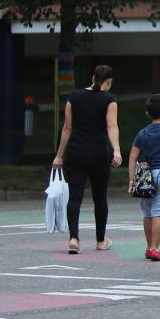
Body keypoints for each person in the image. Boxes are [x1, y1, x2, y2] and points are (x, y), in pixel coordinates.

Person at [52, 64, 121, 254]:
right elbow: (112, 125)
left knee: (75, 197)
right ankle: (100, 240)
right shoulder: (109, 99)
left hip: (75, 153)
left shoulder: (74, 97)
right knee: (100, 198)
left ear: (92, 78)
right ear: (109, 81)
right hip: (99, 154)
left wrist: (59, 155)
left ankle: (74, 239)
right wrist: (116, 150)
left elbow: (67, 128)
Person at [127, 93, 160, 261]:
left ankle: (149, 246)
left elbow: (133, 156)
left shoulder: (142, 133)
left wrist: (132, 179)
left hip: (145, 177)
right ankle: (155, 248)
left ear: (147, 114)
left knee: (148, 212)